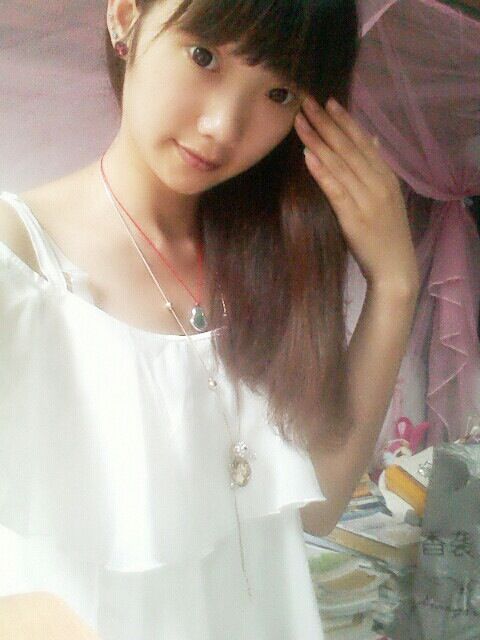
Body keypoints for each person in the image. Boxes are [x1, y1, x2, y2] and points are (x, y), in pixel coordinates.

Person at [0, 0, 420, 638]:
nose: (224, 126)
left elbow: (321, 501)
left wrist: (395, 283)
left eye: (279, 93)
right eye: (204, 56)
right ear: (125, 16)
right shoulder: (20, 268)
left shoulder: (271, 261)